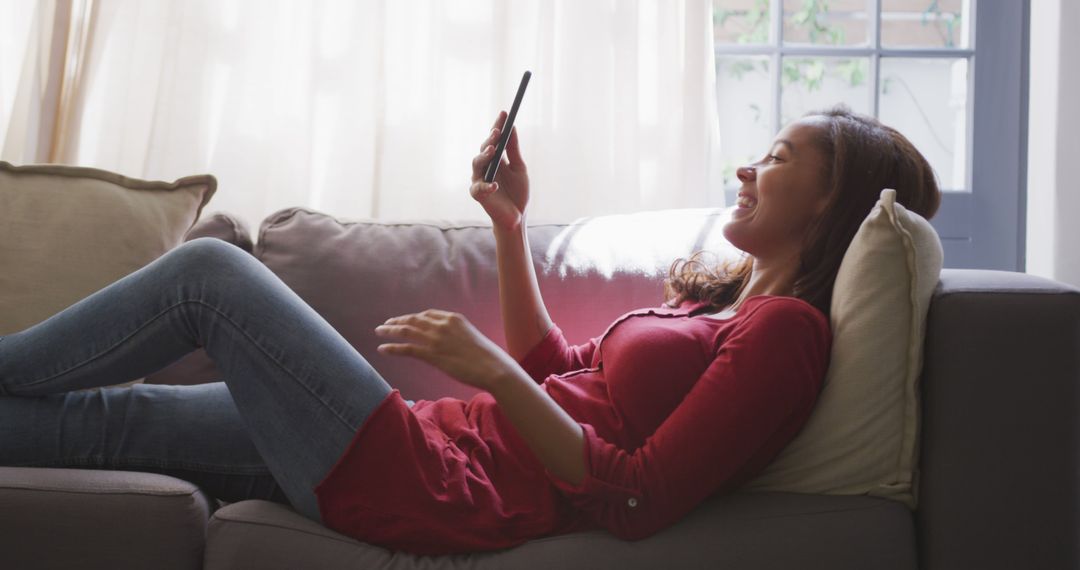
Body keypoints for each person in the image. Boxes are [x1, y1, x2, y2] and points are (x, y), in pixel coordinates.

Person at [0, 104, 940, 556]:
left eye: (776, 160)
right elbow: (563, 370)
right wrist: (509, 226)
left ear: (831, 201)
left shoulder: (786, 336)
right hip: (429, 446)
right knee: (107, 423)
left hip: (443, 487)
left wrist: (489, 372)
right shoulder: (720, 301)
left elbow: (639, 495)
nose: (746, 168)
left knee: (211, 275)